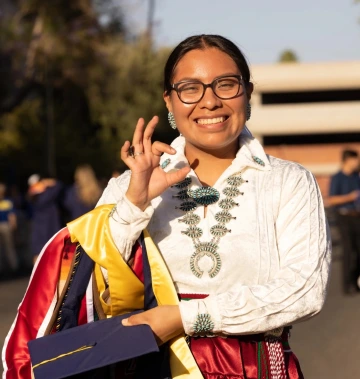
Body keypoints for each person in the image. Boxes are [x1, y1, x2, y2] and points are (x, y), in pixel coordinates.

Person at [3, 35, 331, 379]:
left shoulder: (287, 181)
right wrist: (135, 203)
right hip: (144, 366)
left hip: (254, 367)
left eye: (226, 85)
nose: (210, 101)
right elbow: (88, 288)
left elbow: (305, 291)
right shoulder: (129, 185)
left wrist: (185, 318)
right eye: (190, 88)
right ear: (169, 101)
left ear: (247, 94)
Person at [328, 149, 360, 293]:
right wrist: (350, 197)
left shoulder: (356, 177)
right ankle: (347, 285)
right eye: (355, 160)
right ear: (347, 160)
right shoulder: (337, 178)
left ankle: (356, 282)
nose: (357, 162)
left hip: (357, 215)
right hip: (343, 216)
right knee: (348, 250)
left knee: (358, 250)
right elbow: (332, 199)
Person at [27, 174, 64, 262]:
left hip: (40, 230)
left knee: (38, 253)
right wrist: (47, 182)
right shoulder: (46, 195)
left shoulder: (32, 198)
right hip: (50, 229)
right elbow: (59, 185)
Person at [0, 182, 18, 277]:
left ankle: (13, 268)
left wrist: (13, 226)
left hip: (6, 226)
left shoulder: (7, 202)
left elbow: (12, 215)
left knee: (9, 248)